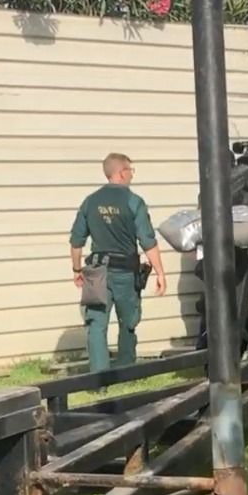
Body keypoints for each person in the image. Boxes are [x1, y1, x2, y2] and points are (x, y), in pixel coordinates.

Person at [68, 153, 167, 374]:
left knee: (96, 325)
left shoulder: (90, 201)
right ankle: (125, 372)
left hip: (95, 272)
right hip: (125, 272)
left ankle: (98, 379)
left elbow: (76, 241)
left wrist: (76, 269)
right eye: (131, 170)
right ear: (122, 172)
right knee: (128, 322)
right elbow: (148, 241)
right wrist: (160, 273)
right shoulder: (134, 202)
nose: (132, 174)